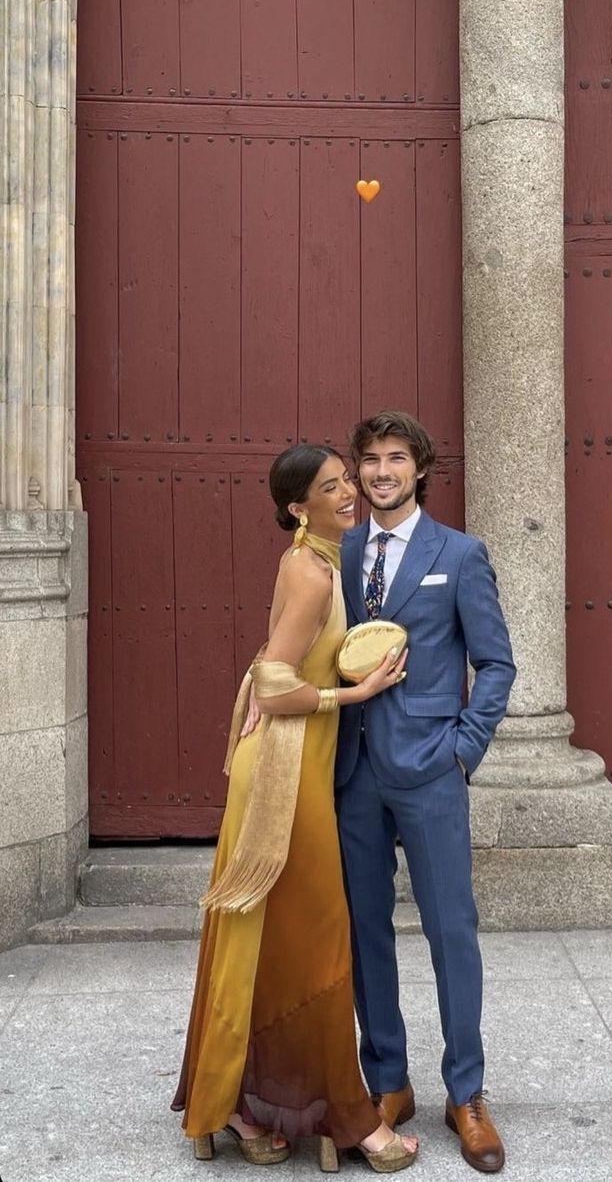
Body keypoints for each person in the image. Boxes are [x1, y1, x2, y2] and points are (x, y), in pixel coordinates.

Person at [172, 444, 418, 1174]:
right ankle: (342, 1115)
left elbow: (272, 667)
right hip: (281, 773)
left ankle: (244, 1101)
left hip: (296, 764)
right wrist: (358, 694)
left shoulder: (316, 559)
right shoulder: (311, 572)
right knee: (317, 938)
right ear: (295, 507)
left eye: (347, 480)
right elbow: (277, 684)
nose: (349, 493)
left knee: (277, 939)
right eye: (330, 487)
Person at [336, 411, 516, 1175]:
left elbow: (497, 665)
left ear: (420, 468)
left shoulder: (460, 555)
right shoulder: (342, 552)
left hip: (432, 771)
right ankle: (388, 1082)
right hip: (354, 771)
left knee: (451, 931)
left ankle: (466, 1092)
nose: (381, 471)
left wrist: (462, 751)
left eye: (395, 458)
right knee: (366, 932)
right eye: (370, 459)